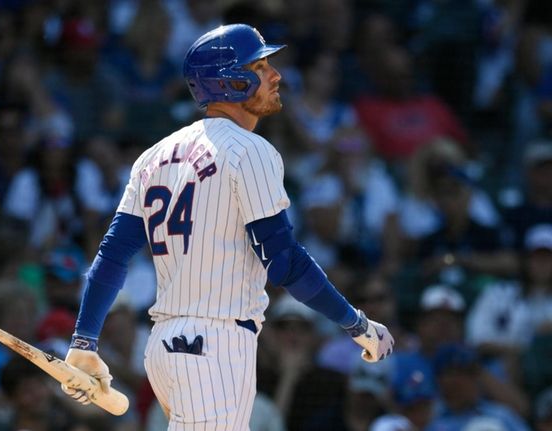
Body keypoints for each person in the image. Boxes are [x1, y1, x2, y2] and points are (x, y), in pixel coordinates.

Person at [61, 24, 394, 429]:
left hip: (165, 347)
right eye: (260, 66)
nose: (276, 76)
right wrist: (355, 323)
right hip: (214, 345)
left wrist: (84, 339)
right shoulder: (250, 151)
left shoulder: (153, 155)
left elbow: (113, 254)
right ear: (231, 82)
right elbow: (284, 261)